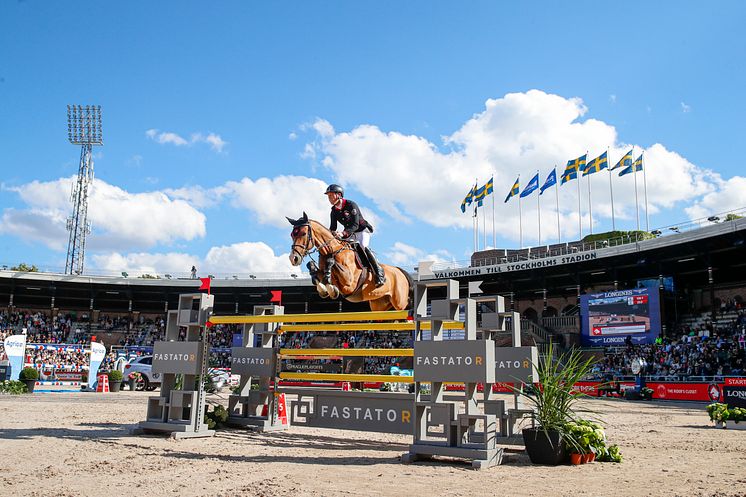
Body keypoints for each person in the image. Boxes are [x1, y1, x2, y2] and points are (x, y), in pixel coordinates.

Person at [324, 184, 386, 286]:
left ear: (339, 195)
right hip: (350, 233)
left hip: (362, 230)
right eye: (328, 196)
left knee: (363, 247)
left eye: (331, 195)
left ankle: (379, 273)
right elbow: (333, 227)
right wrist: (332, 234)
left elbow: (355, 224)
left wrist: (343, 233)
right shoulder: (333, 211)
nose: (329, 198)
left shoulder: (351, 205)